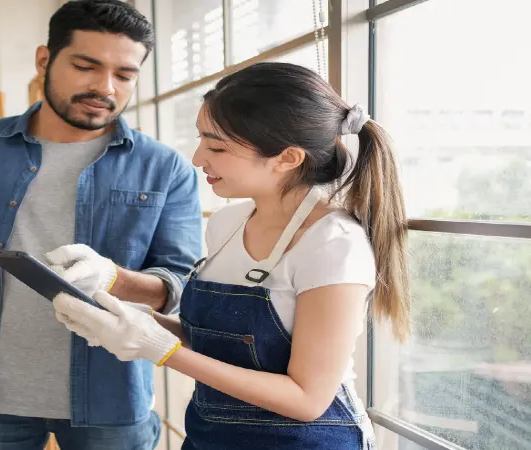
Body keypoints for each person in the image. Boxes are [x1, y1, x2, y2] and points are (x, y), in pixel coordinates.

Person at [49, 62, 411, 450]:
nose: (197, 158)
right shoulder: (227, 225)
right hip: (211, 436)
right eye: (201, 140)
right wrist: (132, 320)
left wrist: (159, 348)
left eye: (217, 146)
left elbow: (307, 399)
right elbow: (226, 344)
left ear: (288, 158)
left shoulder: (333, 242)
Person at [0, 1, 202, 449]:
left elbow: (177, 285)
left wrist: (114, 278)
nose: (105, 87)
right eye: (85, 66)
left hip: (112, 399)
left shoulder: (165, 168)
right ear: (44, 60)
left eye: (125, 75)